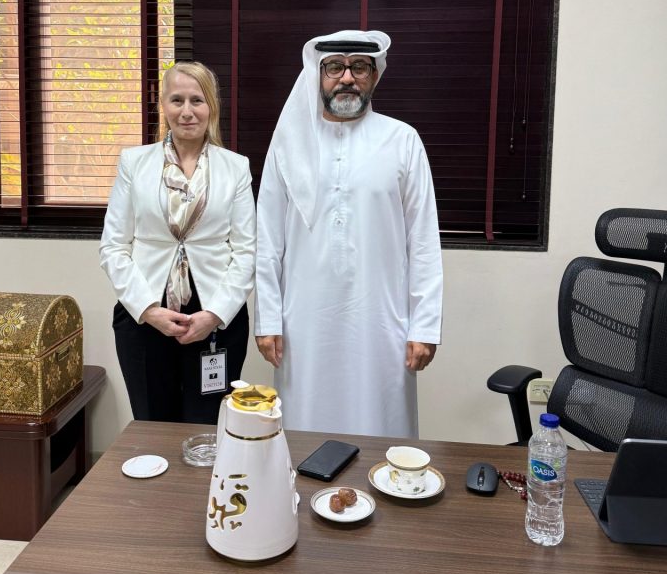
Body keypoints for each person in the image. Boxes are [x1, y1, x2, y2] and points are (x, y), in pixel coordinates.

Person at [254, 29, 443, 437]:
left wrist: (425, 326)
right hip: (304, 323)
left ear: (374, 76)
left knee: (381, 429)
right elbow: (267, 239)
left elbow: (424, 242)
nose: (346, 77)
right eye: (335, 67)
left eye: (359, 67)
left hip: (381, 321)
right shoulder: (289, 144)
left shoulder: (402, 140)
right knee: (304, 430)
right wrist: (268, 318)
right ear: (317, 74)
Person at [100, 62, 256, 423]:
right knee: (153, 425)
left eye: (197, 100)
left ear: (211, 107)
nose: (187, 111)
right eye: (177, 100)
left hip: (216, 316)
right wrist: (148, 310)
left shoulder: (235, 168)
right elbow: (113, 247)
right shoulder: (134, 163)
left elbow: (247, 252)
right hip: (145, 312)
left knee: (207, 429)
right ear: (163, 106)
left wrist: (213, 315)